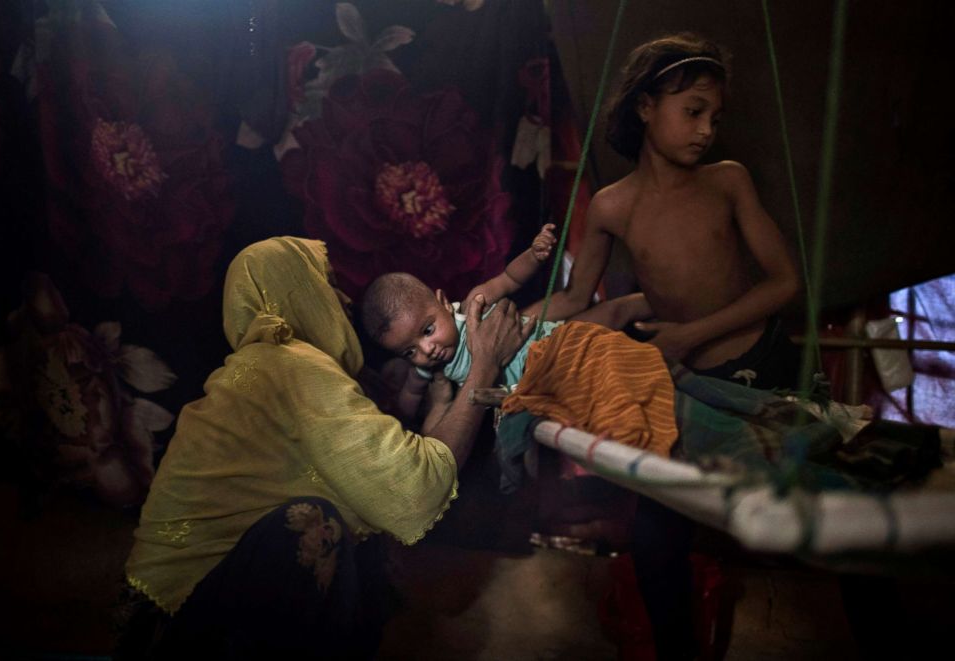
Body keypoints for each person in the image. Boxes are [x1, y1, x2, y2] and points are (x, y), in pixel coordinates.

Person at [115, 236, 533, 659]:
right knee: (316, 524)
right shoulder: (292, 365)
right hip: (176, 626)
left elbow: (396, 465)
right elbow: (411, 485)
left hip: (178, 612)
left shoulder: (270, 365)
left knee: (363, 539)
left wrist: (445, 399)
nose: (345, 297)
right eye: (327, 282)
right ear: (297, 291)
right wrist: (484, 364)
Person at [522, 32, 801, 393]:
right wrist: (503, 323)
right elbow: (574, 298)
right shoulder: (611, 206)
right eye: (693, 111)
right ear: (644, 107)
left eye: (715, 119)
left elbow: (785, 282)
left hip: (765, 359)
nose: (705, 131)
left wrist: (689, 335)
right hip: (693, 382)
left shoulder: (728, 181)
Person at [360, 223, 648, 419]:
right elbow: (408, 402)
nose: (427, 350)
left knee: (609, 320)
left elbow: (510, 279)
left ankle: (659, 305)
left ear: (444, 302)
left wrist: (534, 255)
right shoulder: (427, 369)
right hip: (534, 388)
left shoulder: (475, 302)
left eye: (428, 330)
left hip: (554, 343)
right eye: (410, 351)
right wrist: (397, 413)